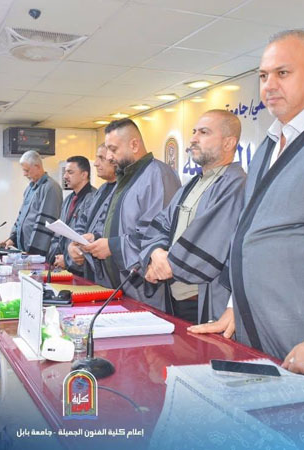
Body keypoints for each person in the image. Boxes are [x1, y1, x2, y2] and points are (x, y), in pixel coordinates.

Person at [190, 29, 304, 375]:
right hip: (257, 325)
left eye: (283, 73)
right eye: (263, 76)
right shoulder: (268, 145)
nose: (269, 85)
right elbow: (249, 233)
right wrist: (234, 307)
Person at [139, 110, 246, 325]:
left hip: (203, 300)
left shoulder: (236, 185)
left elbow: (210, 238)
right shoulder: (193, 184)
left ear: (228, 143)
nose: (193, 139)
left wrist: (163, 267)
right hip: (175, 297)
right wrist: (155, 253)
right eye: (194, 131)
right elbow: (162, 224)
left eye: (204, 132)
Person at [81, 119, 181, 302]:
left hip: (147, 289)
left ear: (134, 145)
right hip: (121, 288)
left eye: (113, 149)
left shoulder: (157, 175)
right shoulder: (126, 178)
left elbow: (158, 236)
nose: (109, 157)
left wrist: (112, 246)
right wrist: (97, 238)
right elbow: (122, 225)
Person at [67, 144, 117, 281]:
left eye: (101, 158)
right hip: (92, 271)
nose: (95, 163)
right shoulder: (101, 190)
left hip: (111, 272)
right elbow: (83, 221)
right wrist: (73, 245)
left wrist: (94, 238)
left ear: (114, 159)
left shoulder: (123, 191)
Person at [0, 150, 62, 256]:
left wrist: (33, 251)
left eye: (27, 170)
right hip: (24, 251)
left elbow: (46, 222)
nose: (24, 174)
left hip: (36, 253)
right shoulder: (30, 188)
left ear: (37, 166)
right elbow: (21, 216)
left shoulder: (51, 187)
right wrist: (12, 238)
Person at [47, 156, 95, 273]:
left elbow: (87, 238)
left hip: (82, 269)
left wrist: (67, 260)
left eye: (70, 172)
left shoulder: (94, 199)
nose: (65, 176)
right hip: (63, 266)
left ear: (84, 175)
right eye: (65, 172)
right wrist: (55, 257)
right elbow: (60, 234)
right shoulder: (68, 199)